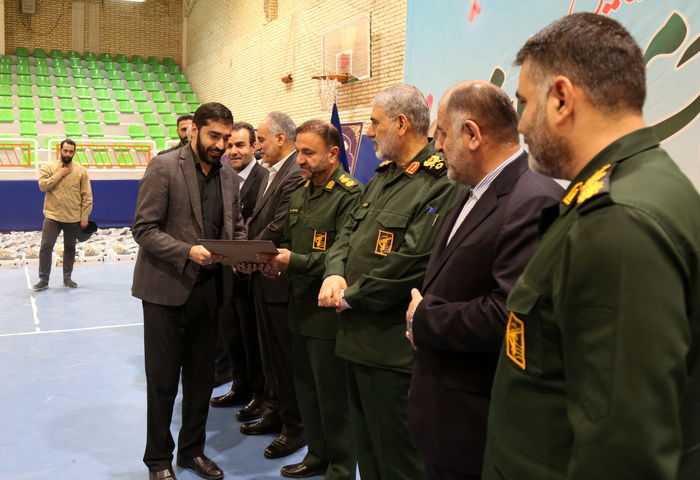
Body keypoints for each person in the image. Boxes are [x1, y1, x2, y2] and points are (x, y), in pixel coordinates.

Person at [482, 13, 700, 480]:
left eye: (525, 103)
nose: (521, 125)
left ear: (561, 99)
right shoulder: (633, 186)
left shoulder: (618, 220)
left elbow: (624, 450)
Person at [404, 81, 562, 480]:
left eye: (442, 134)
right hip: (447, 413)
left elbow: (510, 315)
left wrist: (424, 319)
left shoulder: (534, 199)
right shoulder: (474, 190)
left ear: (472, 134)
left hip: (478, 424)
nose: (437, 146)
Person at [318, 84, 463, 480]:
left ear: (401, 124)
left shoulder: (441, 182)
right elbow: (347, 232)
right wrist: (334, 272)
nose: (367, 132)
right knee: (368, 453)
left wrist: (351, 295)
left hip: (392, 349)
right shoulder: (383, 176)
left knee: (400, 459)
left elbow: (413, 261)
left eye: (374, 123)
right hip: (355, 340)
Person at [132, 102, 246, 480]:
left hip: (211, 292)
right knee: (163, 382)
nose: (221, 145)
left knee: (200, 381)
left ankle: (192, 452)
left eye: (226, 138)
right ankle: (158, 460)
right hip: (165, 292)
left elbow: (236, 230)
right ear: (194, 130)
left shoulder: (228, 178)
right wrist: (187, 251)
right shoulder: (163, 167)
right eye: (214, 136)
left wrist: (246, 255)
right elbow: (144, 230)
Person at [258, 120, 361, 479]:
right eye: (299, 151)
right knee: (307, 392)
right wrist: (277, 263)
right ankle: (317, 455)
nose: (299, 159)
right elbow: (289, 243)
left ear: (333, 154)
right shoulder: (301, 193)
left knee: (333, 398)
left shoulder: (350, 196)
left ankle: (341, 467)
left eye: (308, 153)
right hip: (299, 309)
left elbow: (343, 256)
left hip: (329, 317)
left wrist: (294, 261)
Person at [237, 111, 305, 459]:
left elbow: (278, 226)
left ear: (280, 138)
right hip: (265, 276)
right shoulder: (271, 172)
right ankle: (275, 411)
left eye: (261, 139)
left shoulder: (293, 173)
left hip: (280, 277)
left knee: (285, 357)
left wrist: (246, 253)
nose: (257, 146)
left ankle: (295, 426)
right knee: (269, 355)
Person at [211, 122, 268, 414]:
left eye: (240, 145)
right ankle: (240, 385)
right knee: (232, 335)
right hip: (226, 273)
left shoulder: (265, 179)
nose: (233, 151)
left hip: (254, 272)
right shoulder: (222, 177)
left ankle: (259, 394)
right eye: (230, 145)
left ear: (254, 147)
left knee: (252, 340)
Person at [34, 138, 93, 291]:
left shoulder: (81, 171)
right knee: (46, 247)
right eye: (65, 150)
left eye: (70, 151)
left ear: (74, 152)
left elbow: (87, 196)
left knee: (70, 248)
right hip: (52, 216)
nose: (67, 154)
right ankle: (43, 280)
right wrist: (59, 174)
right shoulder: (49, 167)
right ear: (60, 150)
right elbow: (42, 186)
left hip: (73, 217)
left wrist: (84, 217)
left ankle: (67, 278)